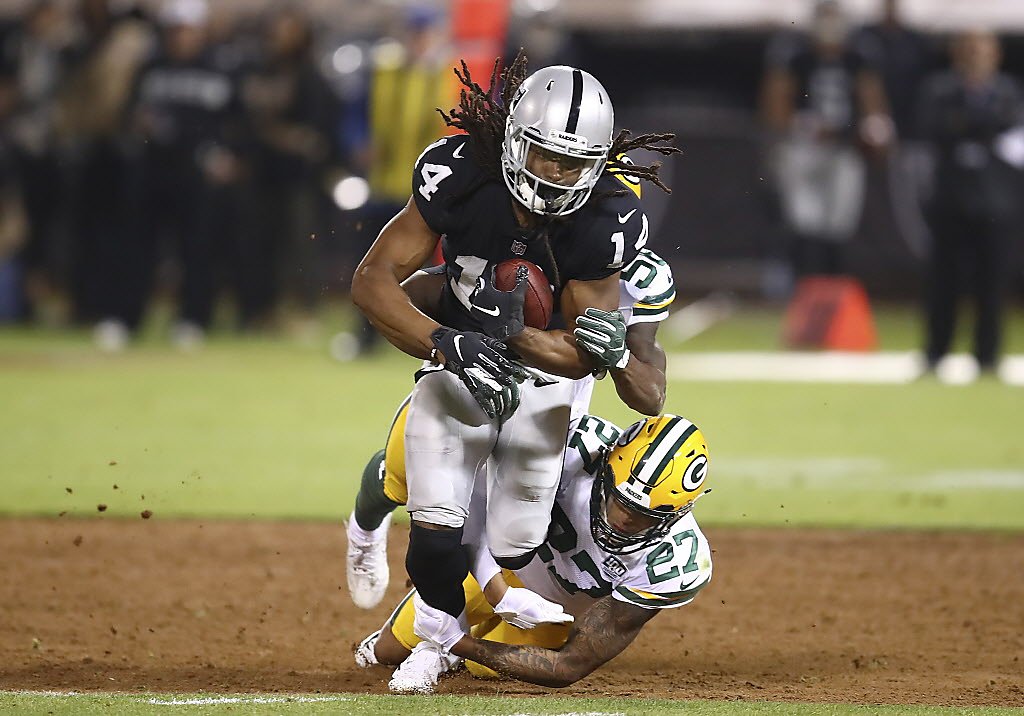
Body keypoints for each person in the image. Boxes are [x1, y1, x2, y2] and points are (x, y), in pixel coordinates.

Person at [350, 50, 680, 675]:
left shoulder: (610, 225)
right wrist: (449, 340)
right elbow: (377, 281)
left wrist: (586, 349)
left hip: (552, 376)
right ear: (512, 142)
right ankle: (389, 564)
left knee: (511, 538)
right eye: (545, 154)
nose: (556, 174)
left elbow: (623, 377)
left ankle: (451, 631)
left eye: (575, 162)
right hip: (457, 342)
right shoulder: (464, 174)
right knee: (429, 495)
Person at [346, 245, 677, 609]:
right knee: (403, 481)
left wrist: (621, 357)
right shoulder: (519, 232)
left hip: (549, 407)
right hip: (473, 383)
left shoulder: (643, 276)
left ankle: (453, 623)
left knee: (507, 537)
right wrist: (452, 332)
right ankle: (365, 535)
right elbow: (412, 296)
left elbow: (651, 399)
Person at [354, 412, 713, 693]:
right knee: (386, 654)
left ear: (679, 513)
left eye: (642, 516)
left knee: (482, 668)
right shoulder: (570, 448)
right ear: (606, 465)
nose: (620, 519)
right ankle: (383, 481)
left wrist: (456, 643)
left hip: (549, 612)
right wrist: (449, 562)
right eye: (617, 499)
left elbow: (569, 666)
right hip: (496, 561)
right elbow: (477, 494)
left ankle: (445, 647)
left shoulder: (675, 562)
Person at [917, 30, 1024, 378]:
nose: (976, 56)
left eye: (982, 49)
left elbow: (1012, 133)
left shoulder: (1008, 92)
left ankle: (988, 357)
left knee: (991, 283)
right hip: (951, 200)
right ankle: (936, 352)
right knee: (943, 282)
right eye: (969, 49)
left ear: (995, 55)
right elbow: (935, 128)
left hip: (995, 203)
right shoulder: (940, 89)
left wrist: (974, 129)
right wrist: (984, 130)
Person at [760, 0, 892, 279]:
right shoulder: (796, 51)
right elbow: (776, 98)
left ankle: (833, 288)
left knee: (839, 221)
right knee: (801, 218)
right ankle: (803, 285)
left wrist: (876, 129)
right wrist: (798, 127)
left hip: (844, 147)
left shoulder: (858, 54)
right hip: (802, 145)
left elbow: (871, 98)